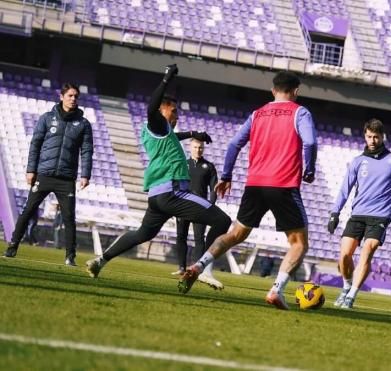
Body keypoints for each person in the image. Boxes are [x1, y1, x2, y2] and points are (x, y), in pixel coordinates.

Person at [178, 71, 318, 311]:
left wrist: (226, 176)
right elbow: (311, 142)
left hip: (254, 184)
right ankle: (276, 290)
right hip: (283, 185)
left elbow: (234, 144)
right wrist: (309, 170)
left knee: (235, 234)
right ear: (296, 91)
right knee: (299, 244)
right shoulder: (300, 112)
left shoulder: (257, 114)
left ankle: (198, 266)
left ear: (273, 91)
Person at [84, 64, 232, 278]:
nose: (177, 116)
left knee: (143, 233)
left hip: (158, 196)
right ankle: (203, 269)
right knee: (222, 221)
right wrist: (165, 79)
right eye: (174, 111)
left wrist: (193, 133)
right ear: (162, 111)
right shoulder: (156, 121)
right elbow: (151, 108)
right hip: (173, 192)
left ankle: (100, 260)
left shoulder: (159, 132)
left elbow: (173, 136)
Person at [3, 83, 93, 266]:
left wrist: (85, 174)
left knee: (69, 218)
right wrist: (31, 170)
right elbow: (35, 144)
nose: (73, 99)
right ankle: (12, 247)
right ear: (61, 97)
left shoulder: (83, 124)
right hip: (44, 175)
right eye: (70, 95)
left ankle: (70, 256)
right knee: (27, 211)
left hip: (66, 179)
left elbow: (87, 151)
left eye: (76, 96)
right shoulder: (47, 118)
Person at [327, 119, 391, 309]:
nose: (372, 141)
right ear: (365, 136)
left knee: (367, 251)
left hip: (380, 216)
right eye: (369, 136)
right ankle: (347, 286)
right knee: (345, 255)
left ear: (382, 137)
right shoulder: (357, 161)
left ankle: (351, 296)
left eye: (376, 137)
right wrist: (334, 213)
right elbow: (344, 189)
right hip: (358, 214)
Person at [172, 138, 224, 290]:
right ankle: (181, 268)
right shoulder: (184, 164)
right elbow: (176, 183)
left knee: (199, 239)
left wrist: (211, 205)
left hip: (200, 208)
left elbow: (214, 188)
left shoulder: (209, 167)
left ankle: (196, 270)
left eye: (200, 147)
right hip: (183, 205)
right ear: (190, 147)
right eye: (195, 147)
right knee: (181, 236)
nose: (198, 150)